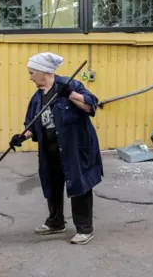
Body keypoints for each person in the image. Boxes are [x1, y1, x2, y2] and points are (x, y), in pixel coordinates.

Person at [9, 52, 103, 245]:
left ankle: (85, 230)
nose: (30, 77)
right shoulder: (37, 98)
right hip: (50, 150)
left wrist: (70, 94)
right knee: (51, 185)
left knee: (79, 185)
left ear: (44, 72)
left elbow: (90, 106)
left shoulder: (69, 85)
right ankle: (55, 222)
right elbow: (33, 125)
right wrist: (22, 137)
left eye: (32, 72)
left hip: (74, 149)